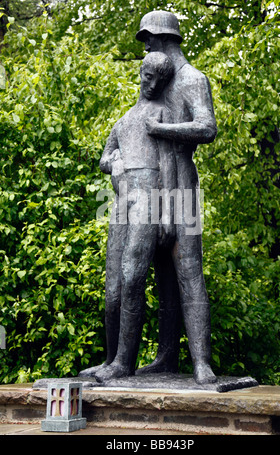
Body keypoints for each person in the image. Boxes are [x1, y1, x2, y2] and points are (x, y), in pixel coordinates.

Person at [79, 52, 178, 381]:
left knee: (134, 278)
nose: (152, 84)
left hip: (149, 197)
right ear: (141, 73)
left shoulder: (163, 113)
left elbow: (167, 161)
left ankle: (125, 362)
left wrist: (166, 212)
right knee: (113, 289)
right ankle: (110, 360)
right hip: (121, 200)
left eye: (159, 80)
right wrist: (113, 161)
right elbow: (105, 157)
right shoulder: (122, 121)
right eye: (148, 76)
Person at [134, 10, 218, 385]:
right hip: (151, 189)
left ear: (164, 38)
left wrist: (163, 128)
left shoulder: (192, 80)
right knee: (161, 273)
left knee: (187, 268)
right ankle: (165, 356)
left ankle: (202, 362)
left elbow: (207, 128)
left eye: (148, 39)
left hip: (182, 184)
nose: (145, 47)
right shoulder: (157, 82)